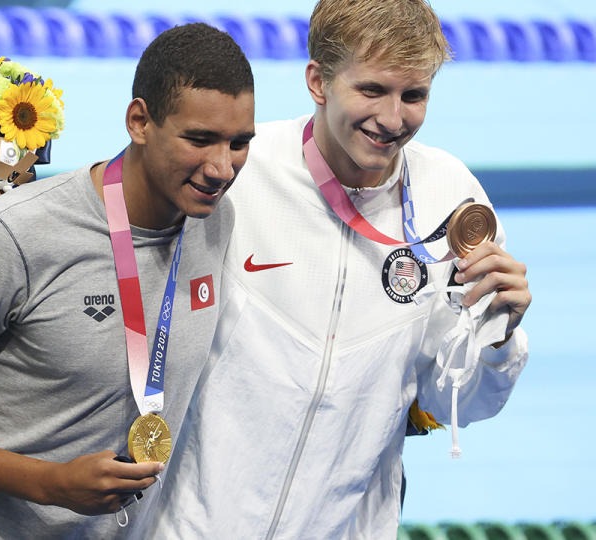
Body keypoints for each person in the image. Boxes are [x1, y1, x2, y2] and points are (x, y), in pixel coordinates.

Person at [152, 1, 532, 538]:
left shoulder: (451, 195)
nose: (394, 119)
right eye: (372, 90)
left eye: (414, 95)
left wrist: (499, 335)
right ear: (318, 81)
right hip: (190, 524)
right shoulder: (238, 169)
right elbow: (116, 236)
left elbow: (460, 404)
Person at [0, 23, 255, 538]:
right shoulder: (11, 237)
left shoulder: (213, 222)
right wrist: (49, 483)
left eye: (239, 143)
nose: (222, 168)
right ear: (139, 121)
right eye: (199, 140)